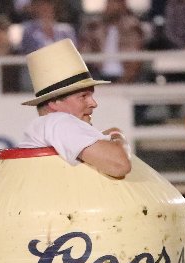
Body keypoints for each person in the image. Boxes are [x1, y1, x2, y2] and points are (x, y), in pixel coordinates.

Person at [19, 38, 131, 179]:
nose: (93, 103)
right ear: (54, 102)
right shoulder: (58, 121)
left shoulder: (47, 126)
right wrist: (117, 134)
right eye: (83, 96)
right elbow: (119, 164)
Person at [78, 0, 144, 83]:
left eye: (115, 3)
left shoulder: (132, 28)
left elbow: (135, 60)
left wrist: (123, 81)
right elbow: (84, 52)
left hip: (124, 76)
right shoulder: (94, 27)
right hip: (98, 76)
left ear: (123, 6)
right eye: (109, 3)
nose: (110, 6)